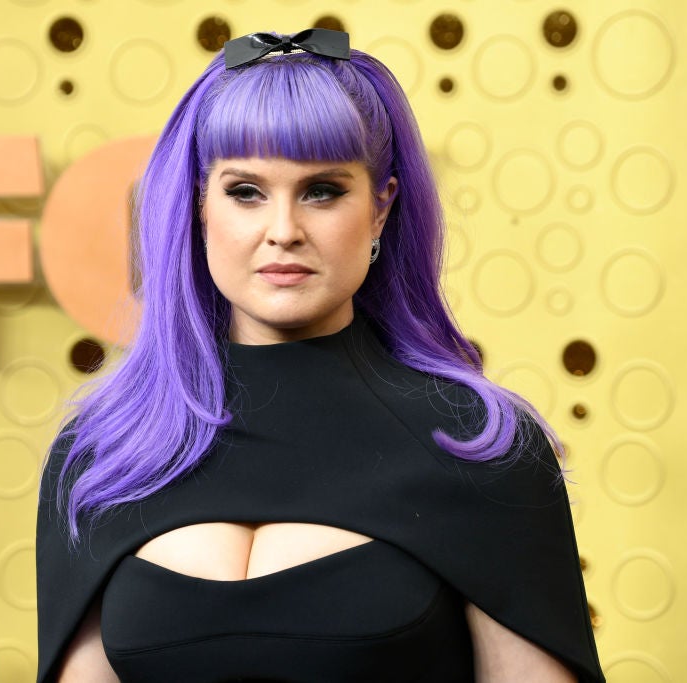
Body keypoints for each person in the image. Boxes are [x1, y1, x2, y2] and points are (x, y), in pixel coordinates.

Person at [36, 29, 605, 682]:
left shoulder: (479, 444)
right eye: (245, 191)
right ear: (198, 207)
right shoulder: (102, 453)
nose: (283, 230)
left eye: (322, 190)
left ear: (382, 207)